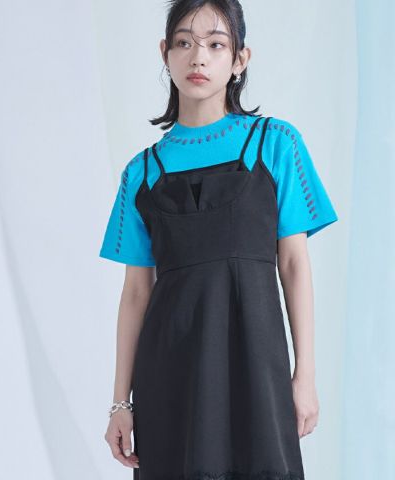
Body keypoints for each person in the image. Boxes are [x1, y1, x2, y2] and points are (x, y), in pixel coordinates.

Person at [100, 1, 339, 479]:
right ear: (165, 54)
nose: (198, 57)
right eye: (184, 43)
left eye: (215, 44)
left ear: (239, 59)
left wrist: (305, 375)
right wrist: (120, 403)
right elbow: (136, 294)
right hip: (170, 375)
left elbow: (294, 265)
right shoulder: (141, 173)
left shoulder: (277, 143)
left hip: (257, 366)